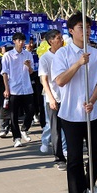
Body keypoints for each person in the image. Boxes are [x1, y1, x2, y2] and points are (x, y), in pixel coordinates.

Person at [52, 12, 97, 193]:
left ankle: (89, 182)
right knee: (74, 158)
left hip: (93, 113)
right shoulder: (62, 54)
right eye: (81, 27)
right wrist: (78, 63)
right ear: (71, 31)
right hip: (71, 114)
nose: (86, 31)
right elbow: (60, 81)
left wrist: (92, 101)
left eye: (89, 27)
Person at [1, 32, 35, 148]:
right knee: (14, 115)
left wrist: (28, 66)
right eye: (19, 40)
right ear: (14, 41)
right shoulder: (8, 55)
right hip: (14, 88)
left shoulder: (28, 54)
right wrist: (7, 89)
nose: (21, 43)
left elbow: (31, 72)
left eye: (23, 41)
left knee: (31, 111)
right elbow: (4, 73)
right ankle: (16, 138)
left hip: (27, 88)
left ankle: (24, 129)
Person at [38, 29, 66, 170]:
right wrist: (51, 98)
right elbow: (44, 80)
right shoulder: (45, 58)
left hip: (67, 97)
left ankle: (69, 152)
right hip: (54, 98)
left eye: (61, 37)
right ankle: (59, 158)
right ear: (51, 41)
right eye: (58, 38)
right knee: (56, 129)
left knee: (69, 128)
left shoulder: (65, 54)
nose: (61, 40)